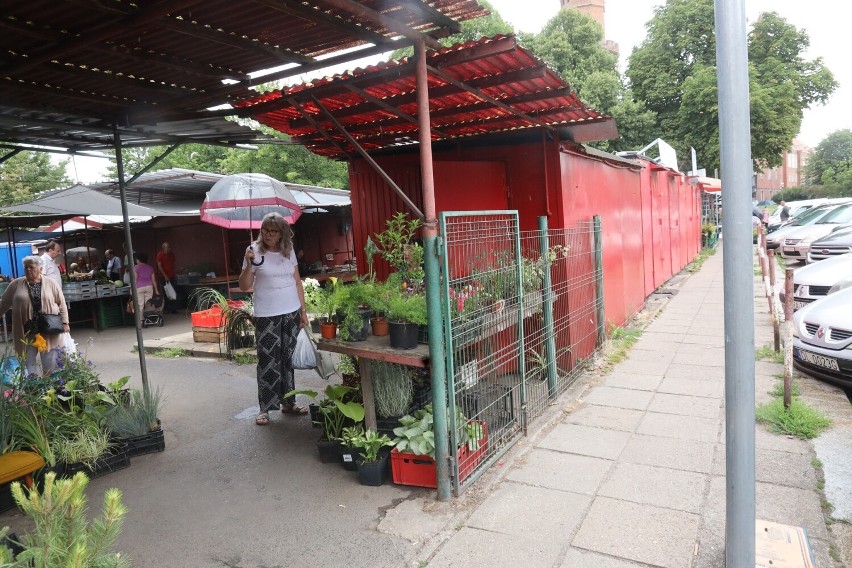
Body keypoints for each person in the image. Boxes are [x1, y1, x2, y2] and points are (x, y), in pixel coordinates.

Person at [239, 212, 309, 425]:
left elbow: (297, 281)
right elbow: (244, 286)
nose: (267, 234)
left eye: (272, 231)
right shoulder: (253, 251)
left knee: (288, 359)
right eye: (264, 230)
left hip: (291, 310)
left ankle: (289, 403)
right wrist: (250, 264)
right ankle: (266, 408)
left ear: (282, 233)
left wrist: (303, 311)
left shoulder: (289, 252)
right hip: (266, 314)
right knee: (268, 360)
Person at [0, 256, 70, 375]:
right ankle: (32, 388)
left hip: (48, 329)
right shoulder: (16, 284)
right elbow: (4, 303)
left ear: (40, 269)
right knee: (27, 364)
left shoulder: (51, 283)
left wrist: (65, 322)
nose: (28, 270)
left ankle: (50, 388)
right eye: (26, 267)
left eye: (31, 267)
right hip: (26, 331)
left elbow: (61, 303)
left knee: (50, 364)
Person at [156, 241, 178, 314]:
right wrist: (165, 275)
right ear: (163, 248)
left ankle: (173, 309)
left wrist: (175, 273)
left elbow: (173, 264)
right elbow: (159, 266)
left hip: (172, 276)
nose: (169, 248)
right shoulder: (160, 254)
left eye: (169, 247)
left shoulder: (172, 254)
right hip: (163, 277)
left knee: (173, 292)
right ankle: (167, 309)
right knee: (166, 292)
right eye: (167, 247)